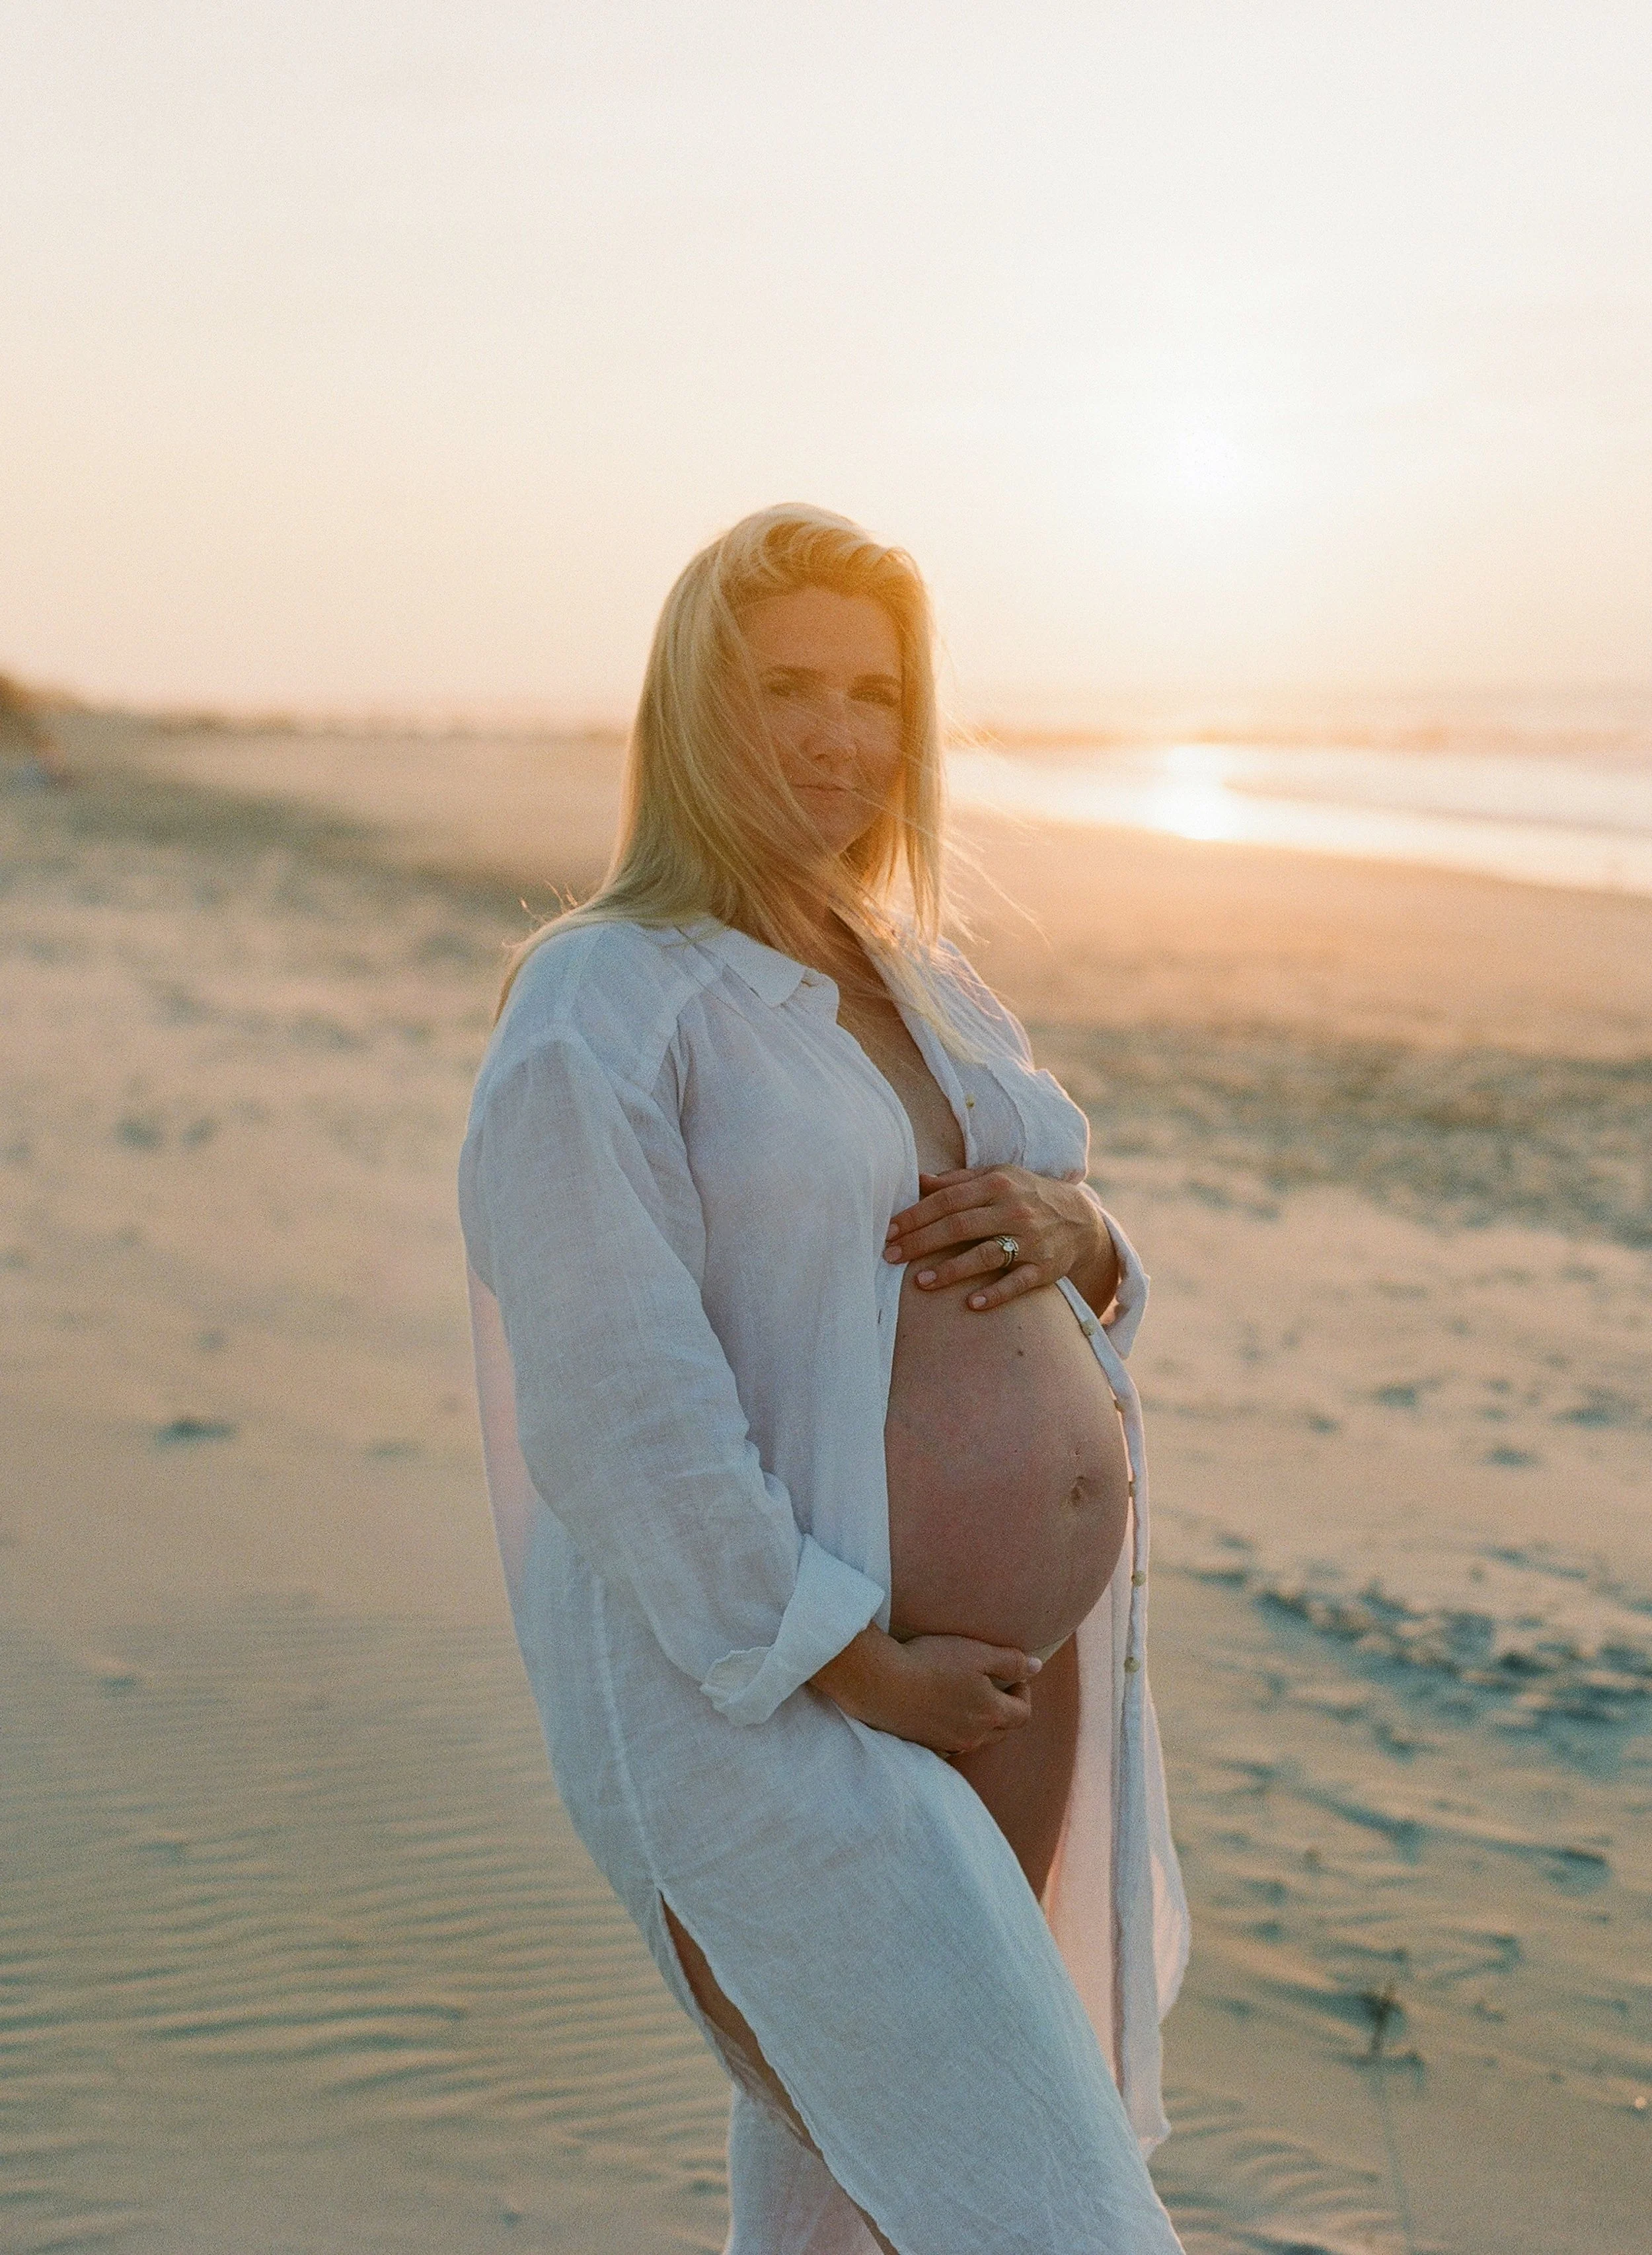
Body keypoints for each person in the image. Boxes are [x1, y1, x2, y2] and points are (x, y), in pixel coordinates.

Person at [459, 504, 1189, 2254]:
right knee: (1043, 2208)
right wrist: (856, 1666)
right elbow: (616, 1407)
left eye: (872, 692)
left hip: (1005, 1684)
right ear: (691, 709)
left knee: (850, 2187)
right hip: (796, 1701)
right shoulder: (605, 1001)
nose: (836, 735)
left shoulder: (921, 981)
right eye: (785, 686)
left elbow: (1057, 1265)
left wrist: (1080, 1231)